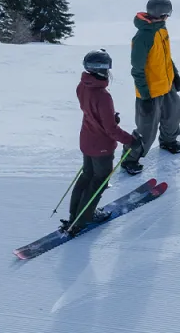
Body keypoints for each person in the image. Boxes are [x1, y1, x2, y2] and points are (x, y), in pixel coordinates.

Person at [66, 49, 140, 236]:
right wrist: (130, 140)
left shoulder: (82, 86)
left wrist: (109, 118)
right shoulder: (103, 96)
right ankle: (84, 218)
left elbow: (92, 112)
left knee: (86, 176)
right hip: (101, 146)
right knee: (98, 181)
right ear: (101, 70)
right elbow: (110, 130)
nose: (109, 71)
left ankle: (75, 213)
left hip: (87, 140)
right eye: (107, 67)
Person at [124, 0, 180, 175]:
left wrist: (175, 74)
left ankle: (168, 141)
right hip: (150, 91)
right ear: (161, 14)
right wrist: (145, 95)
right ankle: (130, 158)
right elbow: (137, 69)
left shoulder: (161, 29)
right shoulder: (144, 36)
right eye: (167, 13)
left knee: (174, 113)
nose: (168, 17)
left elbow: (165, 56)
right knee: (146, 129)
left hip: (166, 85)